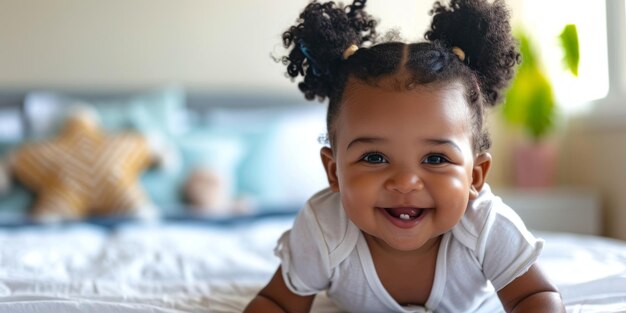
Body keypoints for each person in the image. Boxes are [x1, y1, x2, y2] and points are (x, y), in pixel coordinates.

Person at [244, 0, 566, 312]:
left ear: (475, 176)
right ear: (333, 172)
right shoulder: (324, 229)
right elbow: (277, 303)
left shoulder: (485, 227)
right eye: (374, 157)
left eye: (436, 159)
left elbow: (535, 296)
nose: (405, 182)